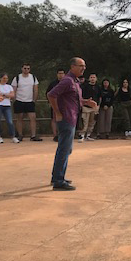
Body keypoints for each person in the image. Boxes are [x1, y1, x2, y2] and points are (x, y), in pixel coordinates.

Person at [48, 57, 97, 190]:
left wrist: (86, 102)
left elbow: (75, 99)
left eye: (84, 66)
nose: (83, 68)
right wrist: (57, 112)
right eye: (81, 66)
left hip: (72, 118)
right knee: (64, 149)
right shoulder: (67, 81)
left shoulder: (75, 82)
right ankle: (58, 180)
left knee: (65, 149)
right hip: (66, 119)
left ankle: (57, 177)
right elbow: (51, 95)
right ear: (72, 67)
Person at [11, 63, 42, 142]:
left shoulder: (33, 78)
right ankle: (20, 135)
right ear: (22, 69)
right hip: (19, 100)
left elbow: (35, 89)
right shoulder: (17, 78)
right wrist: (15, 100)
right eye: (25, 68)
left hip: (30, 101)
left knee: (33, 118)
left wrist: (34, 100)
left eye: (28, 68)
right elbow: (13, 89)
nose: (26, 70)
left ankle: (33, 135)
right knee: (19, 118)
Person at [0, 73, 19, 144]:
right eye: (4, 78)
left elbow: (12, 95)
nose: (5, 80)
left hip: (7, 105)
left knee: (9, 121)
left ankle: (13, 136)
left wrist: (4, 95)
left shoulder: (9, 87)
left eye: (6, 78)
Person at [79, 73, 101, 142]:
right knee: (85, 121)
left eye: (94, 77)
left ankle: (88, 135)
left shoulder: (98, 87)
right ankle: (82, 135)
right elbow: (81, 97)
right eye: (91, 77)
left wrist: (98, 105)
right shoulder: (85, 86)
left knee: (92, 122)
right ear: (89, 79)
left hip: (94, 107)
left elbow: (100, 97)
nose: (92, 78)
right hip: (86, 107)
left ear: (96, 79)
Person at [46, 70, 66, 142]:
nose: (61, 75)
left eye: (62, 73)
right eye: (59, 73)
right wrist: (50, 102)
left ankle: (63, 134)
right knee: (54, 119)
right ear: (57, 74)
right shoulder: (53, 84)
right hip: (54, 103)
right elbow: (48, 93)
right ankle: (55, 135)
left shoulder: (66, 83)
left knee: (64, 119)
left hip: (64, 104)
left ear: (64, 74)